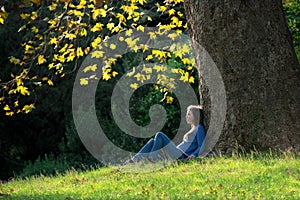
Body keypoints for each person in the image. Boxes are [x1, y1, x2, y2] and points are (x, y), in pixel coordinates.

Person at [124, 105, 206, 164]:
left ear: (196, 116)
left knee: (159, 134)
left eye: (189, 114)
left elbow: (201, 145)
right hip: (177, 153)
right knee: (152, 141)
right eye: (187, 114)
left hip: (182, 157)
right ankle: (134, 160)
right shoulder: (193, 129)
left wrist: (194, 155)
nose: (186, 116)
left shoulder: (199, 128)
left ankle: (153, 158)